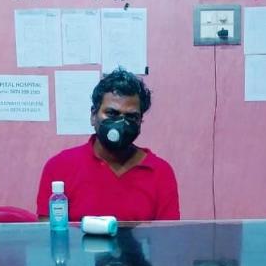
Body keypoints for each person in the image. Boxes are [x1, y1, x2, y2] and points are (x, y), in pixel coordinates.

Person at [36, 68, 180, 221]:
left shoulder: (160, 173)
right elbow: (48, 236)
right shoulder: (60, 167)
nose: (121, 123)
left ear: (140, 121)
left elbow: (168, 239)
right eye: (112, 113)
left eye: (131, 117)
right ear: (93, 115)